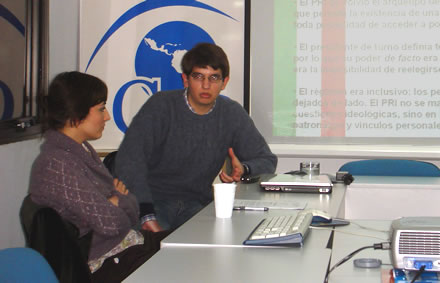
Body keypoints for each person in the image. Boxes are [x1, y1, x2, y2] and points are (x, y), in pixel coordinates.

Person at [115, 43, 277, 232]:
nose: (206, 85)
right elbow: (129, 161)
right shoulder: (161, 106)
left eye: (214, 78)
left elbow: (267, 160)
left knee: (222, 243)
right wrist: (146, 213)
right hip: (153, 200)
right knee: (150, 253)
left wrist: (245, 169)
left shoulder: (231, 113)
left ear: (224, 82)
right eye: (198, 77)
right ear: (185, 79)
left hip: (197, 204)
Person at [29, 71, 168, 283]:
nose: (107, 116)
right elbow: (112, 223)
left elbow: (129, 210)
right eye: (101, 109)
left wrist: (115, 201)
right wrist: (116, 200)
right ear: (76, 114)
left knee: (192, 242)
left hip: (128, 244)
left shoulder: (80, 150)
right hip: (107, 262)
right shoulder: (56, 165)